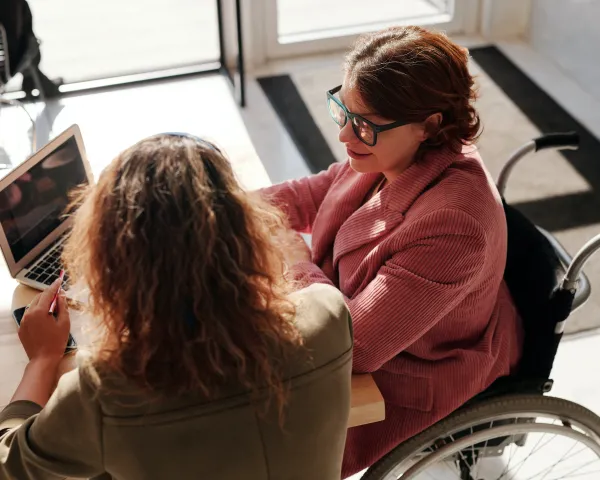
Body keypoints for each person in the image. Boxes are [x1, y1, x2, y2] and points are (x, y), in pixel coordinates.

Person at [0, 133, 353, 480]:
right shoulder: (329, 314)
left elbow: (8, 467)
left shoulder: (105, 391)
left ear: (114, 262)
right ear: (247, 232)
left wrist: (42, 360)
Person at [260, 25, 524, 477]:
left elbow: (354, 347)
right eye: (341, 110)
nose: (344, 135)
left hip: (408, 376)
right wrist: (217, 206)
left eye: (361, 123)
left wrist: (295, 259)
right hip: (363, 317)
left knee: (257, 430)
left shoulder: (454, 225)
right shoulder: (388, 148)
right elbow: (314, 192)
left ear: (431, 125)